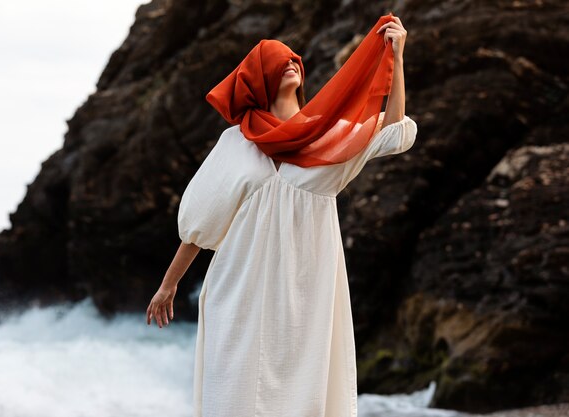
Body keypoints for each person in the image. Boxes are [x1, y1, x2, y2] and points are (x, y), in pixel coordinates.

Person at [147, 14, 417, 417]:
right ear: (259, 77)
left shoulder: (329, 134)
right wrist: (168, 286)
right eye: (277, 59)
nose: (292, 62)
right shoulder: (236, 142)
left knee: (302, 399)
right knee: (235, 397)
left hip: (306, 293)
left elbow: (395, 132)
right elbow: (201, 223)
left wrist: (396, 55)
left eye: (295, 58)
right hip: (240, 290)